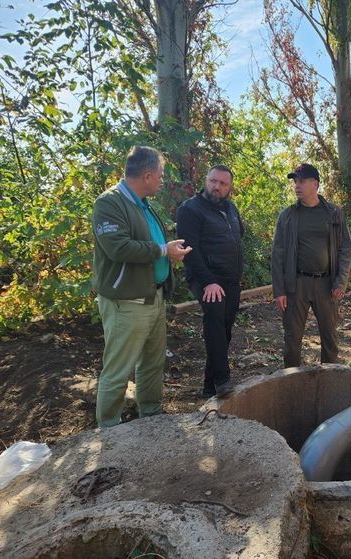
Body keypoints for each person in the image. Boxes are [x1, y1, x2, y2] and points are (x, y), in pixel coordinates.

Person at [92, 146, 192, 428]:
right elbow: (118, 248)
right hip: (127, 303)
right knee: (118, 369)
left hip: (153, 297)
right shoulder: (109, 203)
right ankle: (109, 429)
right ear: (147, 175)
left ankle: (150, 416)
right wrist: (163, 250)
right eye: (160, 175)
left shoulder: (142, 203)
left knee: (152, 363)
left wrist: (167, 252)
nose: (161, 181)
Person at [271, 163, 351, 368]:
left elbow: (345, 249)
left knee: (330, 338)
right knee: (292, 340)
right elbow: (278, 254)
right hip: (296, 284)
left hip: (326, 284)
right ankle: (292, 383)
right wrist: (279, 290)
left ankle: (330, 380)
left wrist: (340, 282)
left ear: (315, 184)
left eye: (302, 181)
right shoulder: (288, 216)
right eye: (295, 181)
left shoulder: (333, 213)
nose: (297, 185)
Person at [176, 165, 243, 398]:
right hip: (207, 279)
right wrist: (208, 282)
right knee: (214, 324)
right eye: (213, 181)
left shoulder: (231, 209)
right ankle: (222, 380)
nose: (217, 187)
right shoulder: (190, 209)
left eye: (223, 183)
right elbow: (189, 250)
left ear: (229, 187)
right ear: (206, 181)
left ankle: (208, 385)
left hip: (231, 280)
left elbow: (238, 237)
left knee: (224, 331)